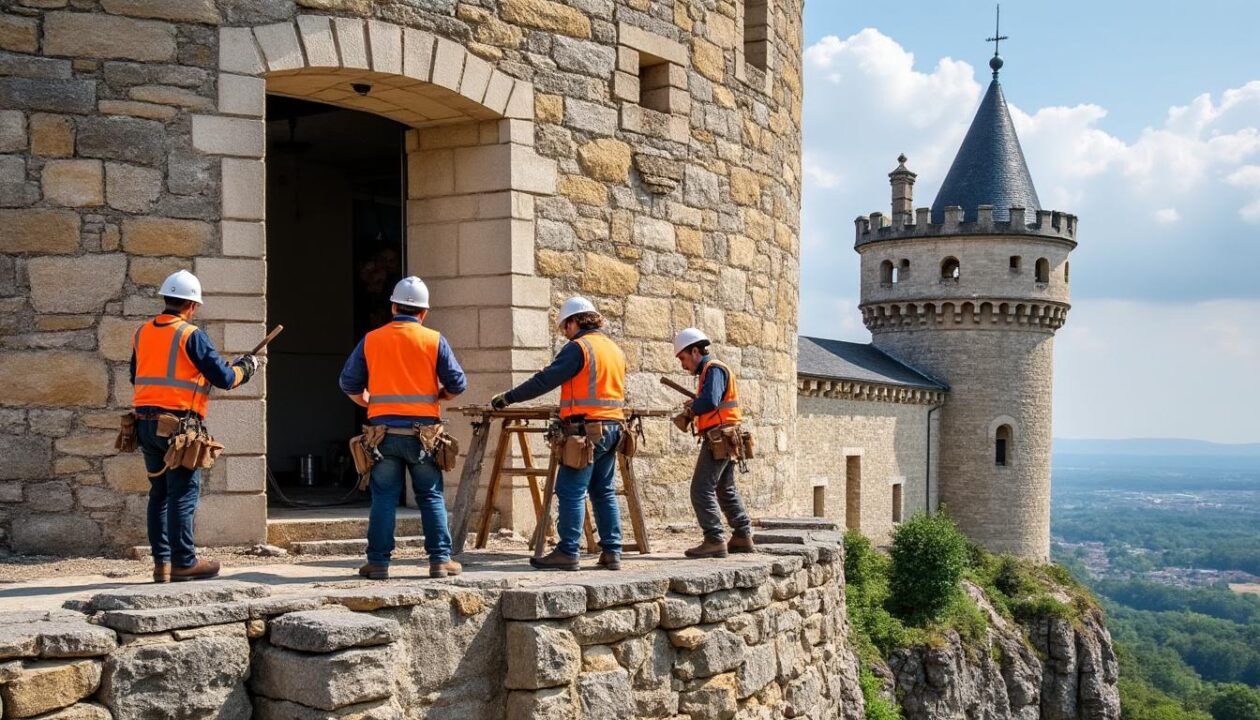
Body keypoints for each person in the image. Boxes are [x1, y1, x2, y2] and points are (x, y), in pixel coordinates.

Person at [131, 270, 262, 583]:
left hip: (146, 425)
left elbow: (137, 375)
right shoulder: (191, 335)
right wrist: (248, 367)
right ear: (192, 305)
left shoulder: (142, 333)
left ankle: (162, 564)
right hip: (179, 429)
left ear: (167, 299)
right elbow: (225, 378)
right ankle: (184, 562)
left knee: (159, 494)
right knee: (183, 495)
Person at [339, 276, 466, 580]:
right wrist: (441, 395)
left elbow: (347, 382)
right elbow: (458, 383)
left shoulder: (372, 339)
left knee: (383, 497)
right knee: (431, 496)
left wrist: (366, 400)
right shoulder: (433, 339)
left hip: (383, 435)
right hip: (423, 437)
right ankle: (439, 561)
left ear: (394, 307)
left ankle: (378, 563)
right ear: (423, 312)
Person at [490, 296, 625, 571]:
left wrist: (509, 397)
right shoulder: (613, 348)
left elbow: (546, 379)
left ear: (575, 321)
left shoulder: (579, 348)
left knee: (571, 490)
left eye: (565, 326)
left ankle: (567, 551)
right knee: (603, 490)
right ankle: (612, 551)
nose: (564, 332)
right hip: (613, 428)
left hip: (585, 431)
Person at [672, 327, 755, 558]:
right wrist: (697, 403)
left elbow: (710, 401)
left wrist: (692, 407)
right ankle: (742, 535)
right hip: (726, 435)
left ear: (695, 351)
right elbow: (712, 401)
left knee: (700, 489)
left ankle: (714, 539)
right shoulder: (713, 370)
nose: (682, 364)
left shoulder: (713, 369)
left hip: (719, 436)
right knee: (724, 488)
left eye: (683, 358)